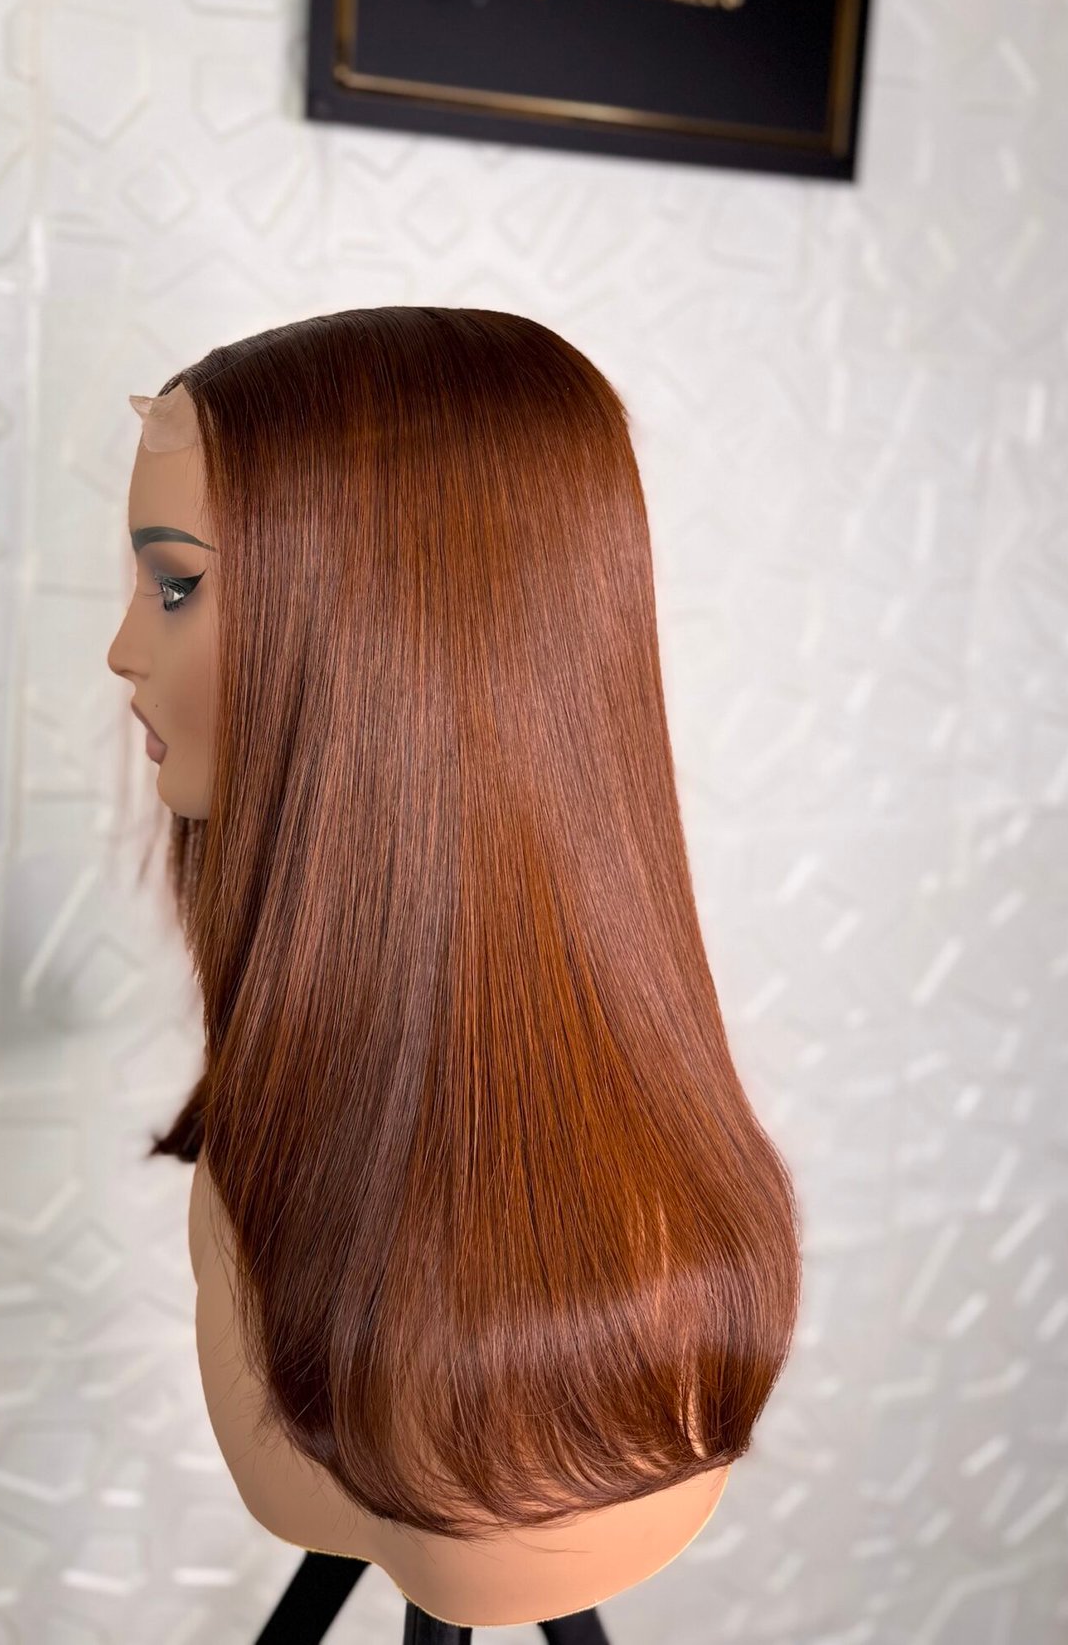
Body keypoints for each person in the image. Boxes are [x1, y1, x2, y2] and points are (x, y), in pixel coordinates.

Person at [105, 307, 802, 1634]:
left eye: (177, 585)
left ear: (385, 637)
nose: (125, 649)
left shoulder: (270, 1216)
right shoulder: (674, 1223)